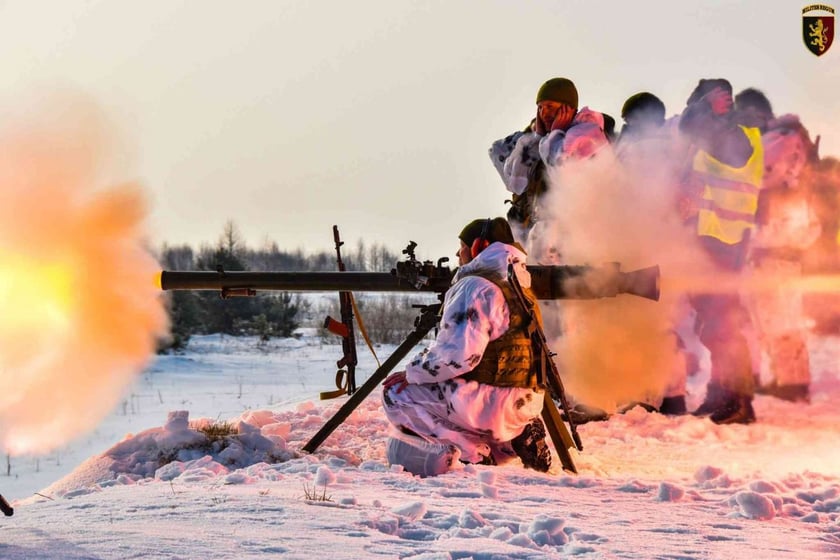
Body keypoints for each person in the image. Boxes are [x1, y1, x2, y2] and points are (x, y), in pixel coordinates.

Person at [381, 217, 552, 476]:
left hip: (489, 403)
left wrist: (412, 371)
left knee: (396, 394)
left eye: (461, 247)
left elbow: (458, 358)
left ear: (477, 247)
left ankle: (474, 454)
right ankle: (508, 443)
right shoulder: (521, 286)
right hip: (526, 402)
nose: (457, 254)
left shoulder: (475, 286)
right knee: (459, 404)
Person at [677, 78, 764, 424]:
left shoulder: (735, 134)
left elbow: (690, 124)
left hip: (724, 238)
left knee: (723, 321)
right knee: (713, 318)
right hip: (715, 237)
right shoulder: (724, 134)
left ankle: (739, 400)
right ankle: (720, 389)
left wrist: (704, 108)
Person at [735, 88, 821, 402]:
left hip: (781, 240)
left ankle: (794, 384)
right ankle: (786, 379)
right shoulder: (782, 138)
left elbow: (760, 176)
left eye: (745, 115)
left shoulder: (781, 139)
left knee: (782, 316)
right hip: (774, 241)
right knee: (768, 316)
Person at [489, 78, 609, 245]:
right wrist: (535, 140)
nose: (543, 113)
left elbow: (561, 167)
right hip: (542, 240)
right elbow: (515, 183)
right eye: (540, 107)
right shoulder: (546, 141)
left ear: (568, 109)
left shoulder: (586, 134)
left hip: (580, 239)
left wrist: (555, 134)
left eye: (550, 107)